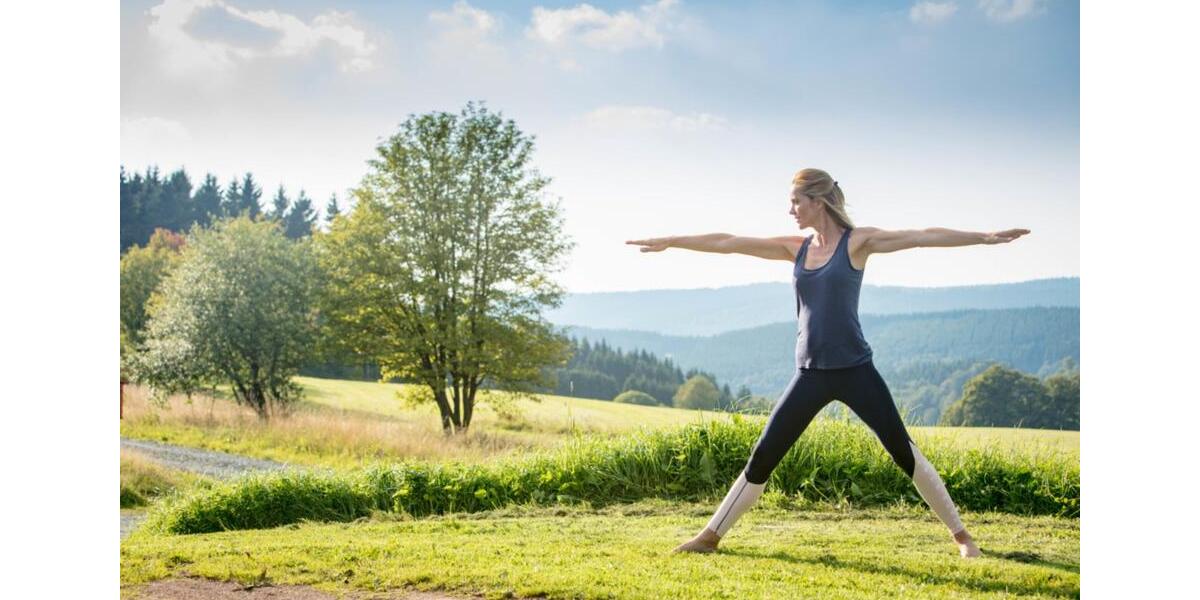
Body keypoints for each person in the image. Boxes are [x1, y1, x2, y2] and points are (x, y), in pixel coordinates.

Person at [625, 167, 1030, 559]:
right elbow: (728, 241)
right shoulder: (795, 247)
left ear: (818, 201)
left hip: (856, 370)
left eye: (796, 201)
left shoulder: (857, 242)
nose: (791, 210)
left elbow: (920, 236)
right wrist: (672, 240)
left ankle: (962, 537)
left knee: (903, 452)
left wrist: (984, 237)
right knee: (764, 455)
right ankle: (710, 536)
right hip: (809, 373)